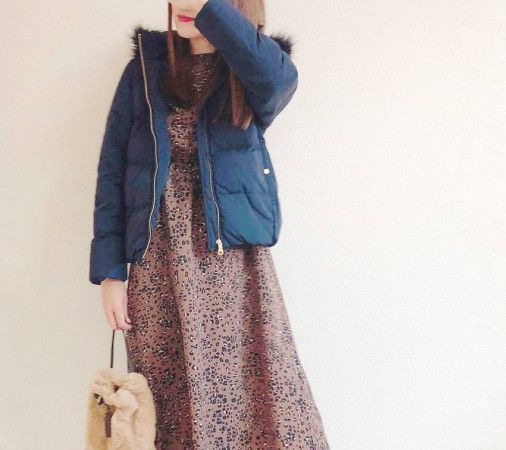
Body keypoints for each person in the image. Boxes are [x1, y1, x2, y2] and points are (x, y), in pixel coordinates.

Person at [89, 0, 330, 447]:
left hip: (233, 262)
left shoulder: (252, 69)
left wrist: (209, 12)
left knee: (255, 387)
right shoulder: (145, 70)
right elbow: (112, 172)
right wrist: (111, 273)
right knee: (166, 394)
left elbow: (279, 81)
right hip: (156, 261)